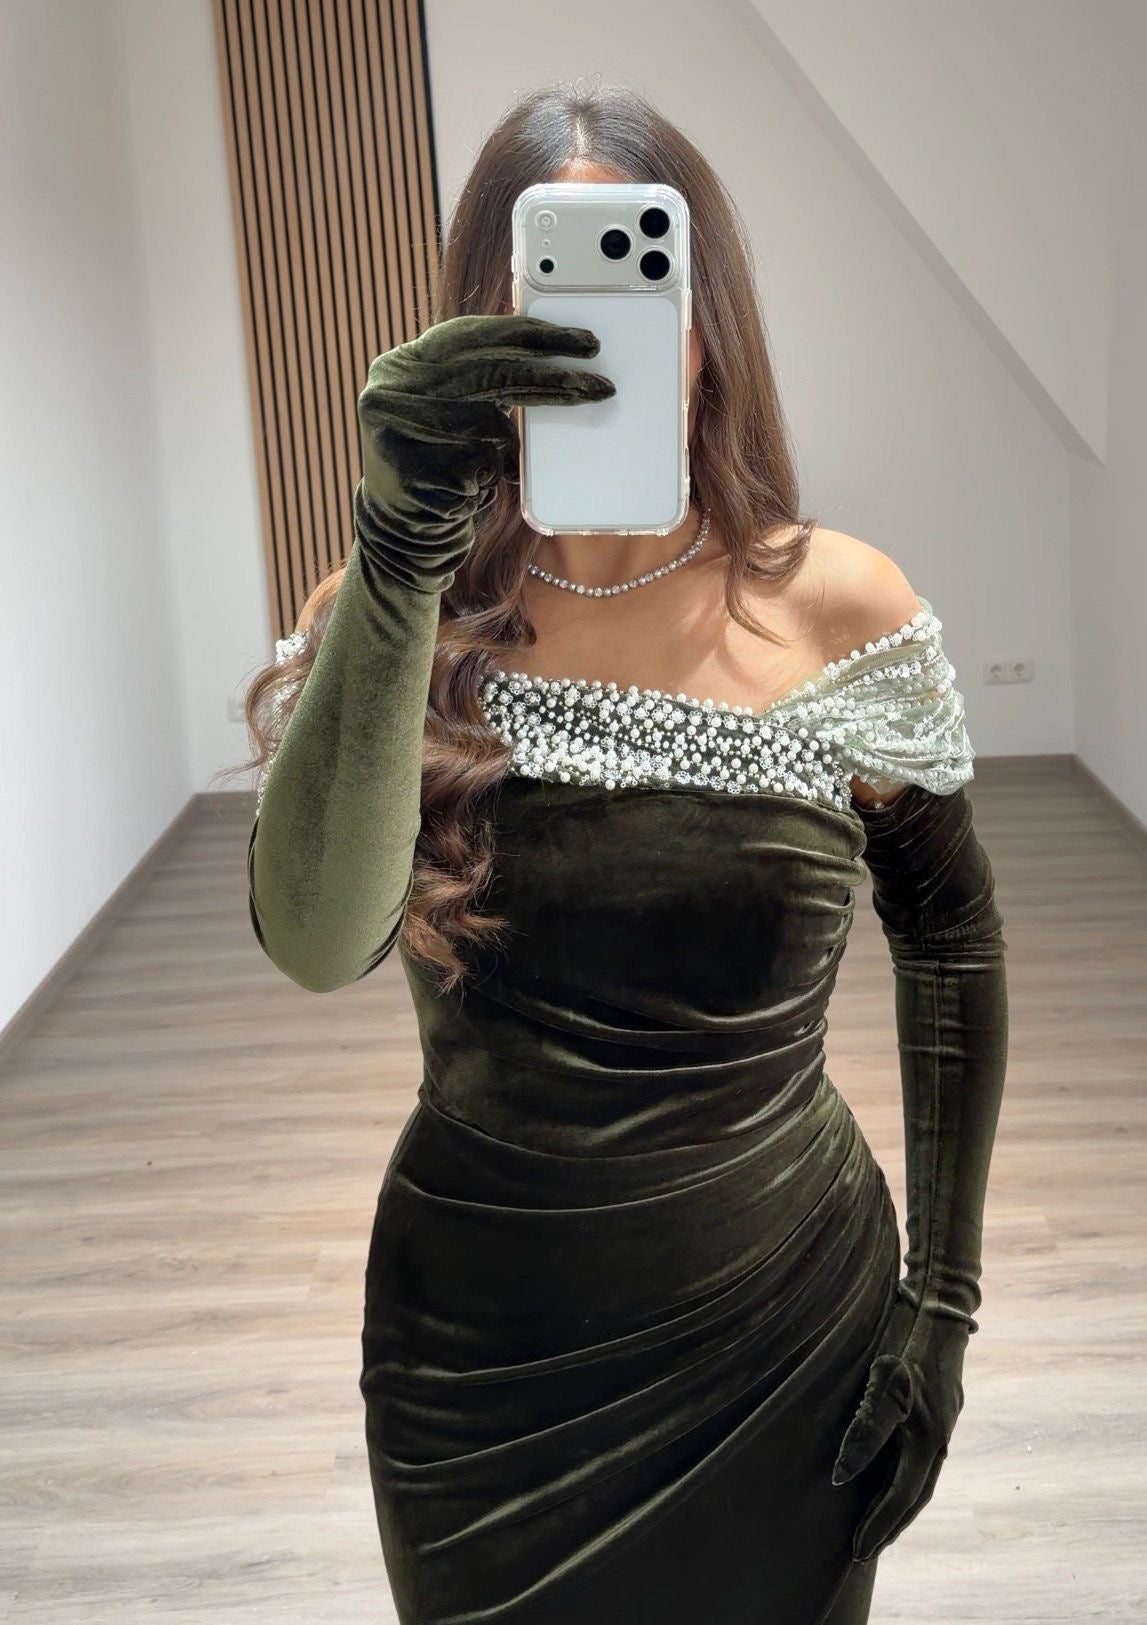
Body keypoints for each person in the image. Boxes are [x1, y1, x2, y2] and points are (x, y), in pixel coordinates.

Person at [243, 83, 1009, 1625]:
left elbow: (950, 934)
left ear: (706, 323)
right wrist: (397, 548)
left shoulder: (838, 612)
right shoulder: (386, 611)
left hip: (786, 1333)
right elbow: (318, 943)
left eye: (637, 278)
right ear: (474, 330)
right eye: (544, 292)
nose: (591, 338)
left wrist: (941, 1301)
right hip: (482, 1367)